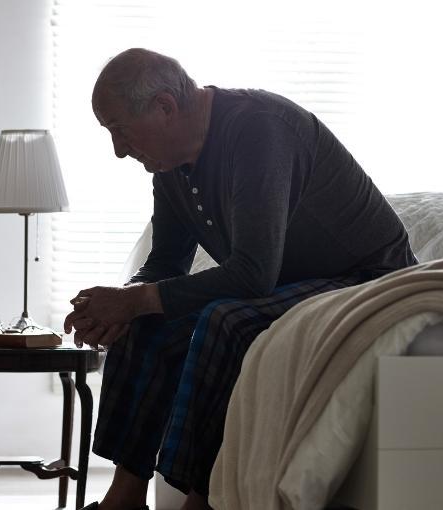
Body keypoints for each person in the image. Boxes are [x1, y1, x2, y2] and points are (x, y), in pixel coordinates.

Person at [64, 48, 418, 510]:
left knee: (224, 320)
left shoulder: (259, 130)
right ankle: (124, 497)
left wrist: (137, 299)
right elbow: (167, 260)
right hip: (287, 285)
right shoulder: (169, 165)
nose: (118, 149)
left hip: (369, 280)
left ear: (165, 107)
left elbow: (252, 274)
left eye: (120, 130)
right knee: (146, 320)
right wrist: (121, 304)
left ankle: (202, 500)